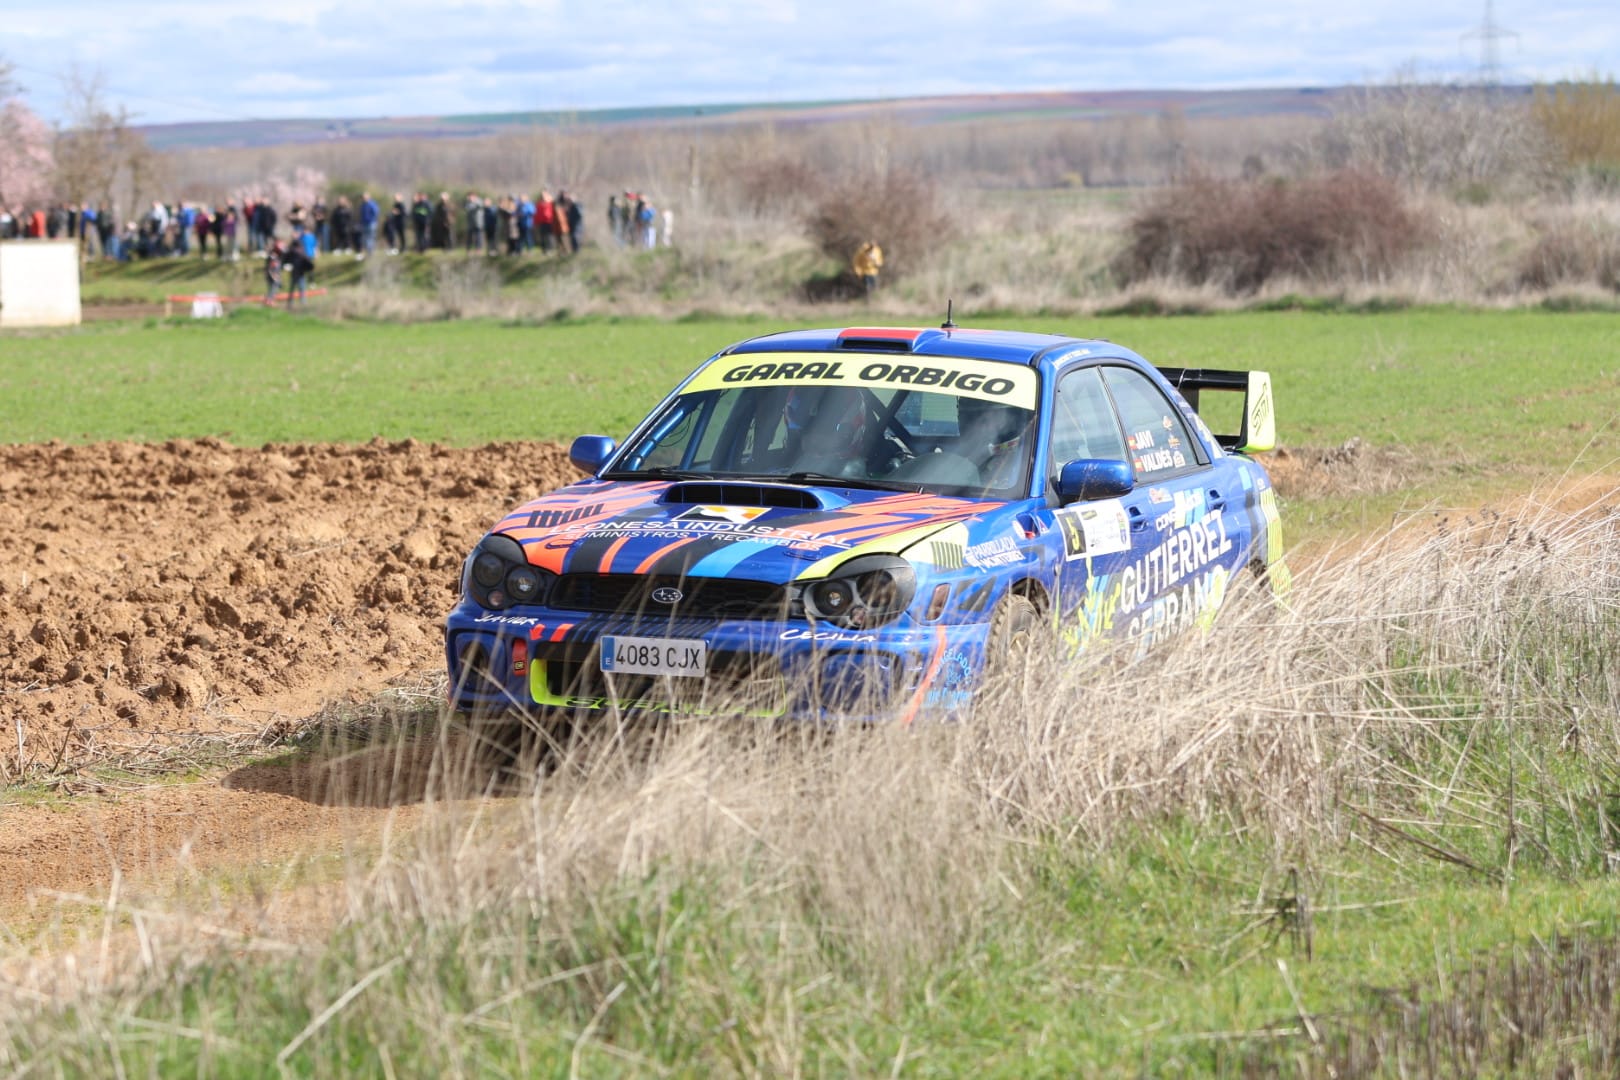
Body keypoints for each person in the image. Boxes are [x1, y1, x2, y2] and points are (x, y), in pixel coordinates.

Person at [264, 240, 284, 305]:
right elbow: (270, 268)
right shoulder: (273, 256)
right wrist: (273, 275)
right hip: (272, 275)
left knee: (274, 288)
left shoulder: (277, 256)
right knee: (273, 288)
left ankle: (270, 300)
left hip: (275, 274)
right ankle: (270, 301)